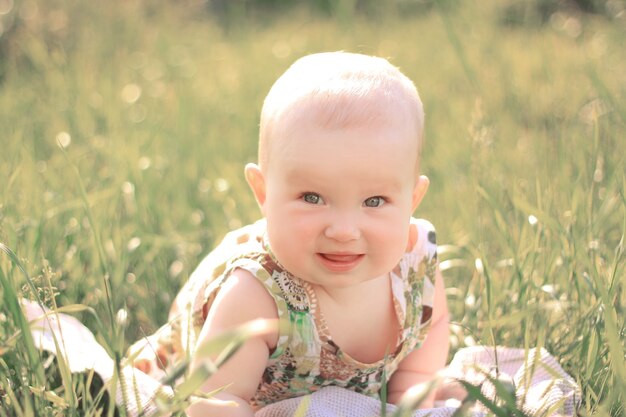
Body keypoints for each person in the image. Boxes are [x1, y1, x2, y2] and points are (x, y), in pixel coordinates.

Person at [128, 51, 450, 417]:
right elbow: (214, 401)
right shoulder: (255, 295)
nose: (343, 230)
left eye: (374, 200)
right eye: (312, 198)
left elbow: (433, 322)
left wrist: (411, 390)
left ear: (413, 199)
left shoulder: (415, 267)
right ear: (263, 193)